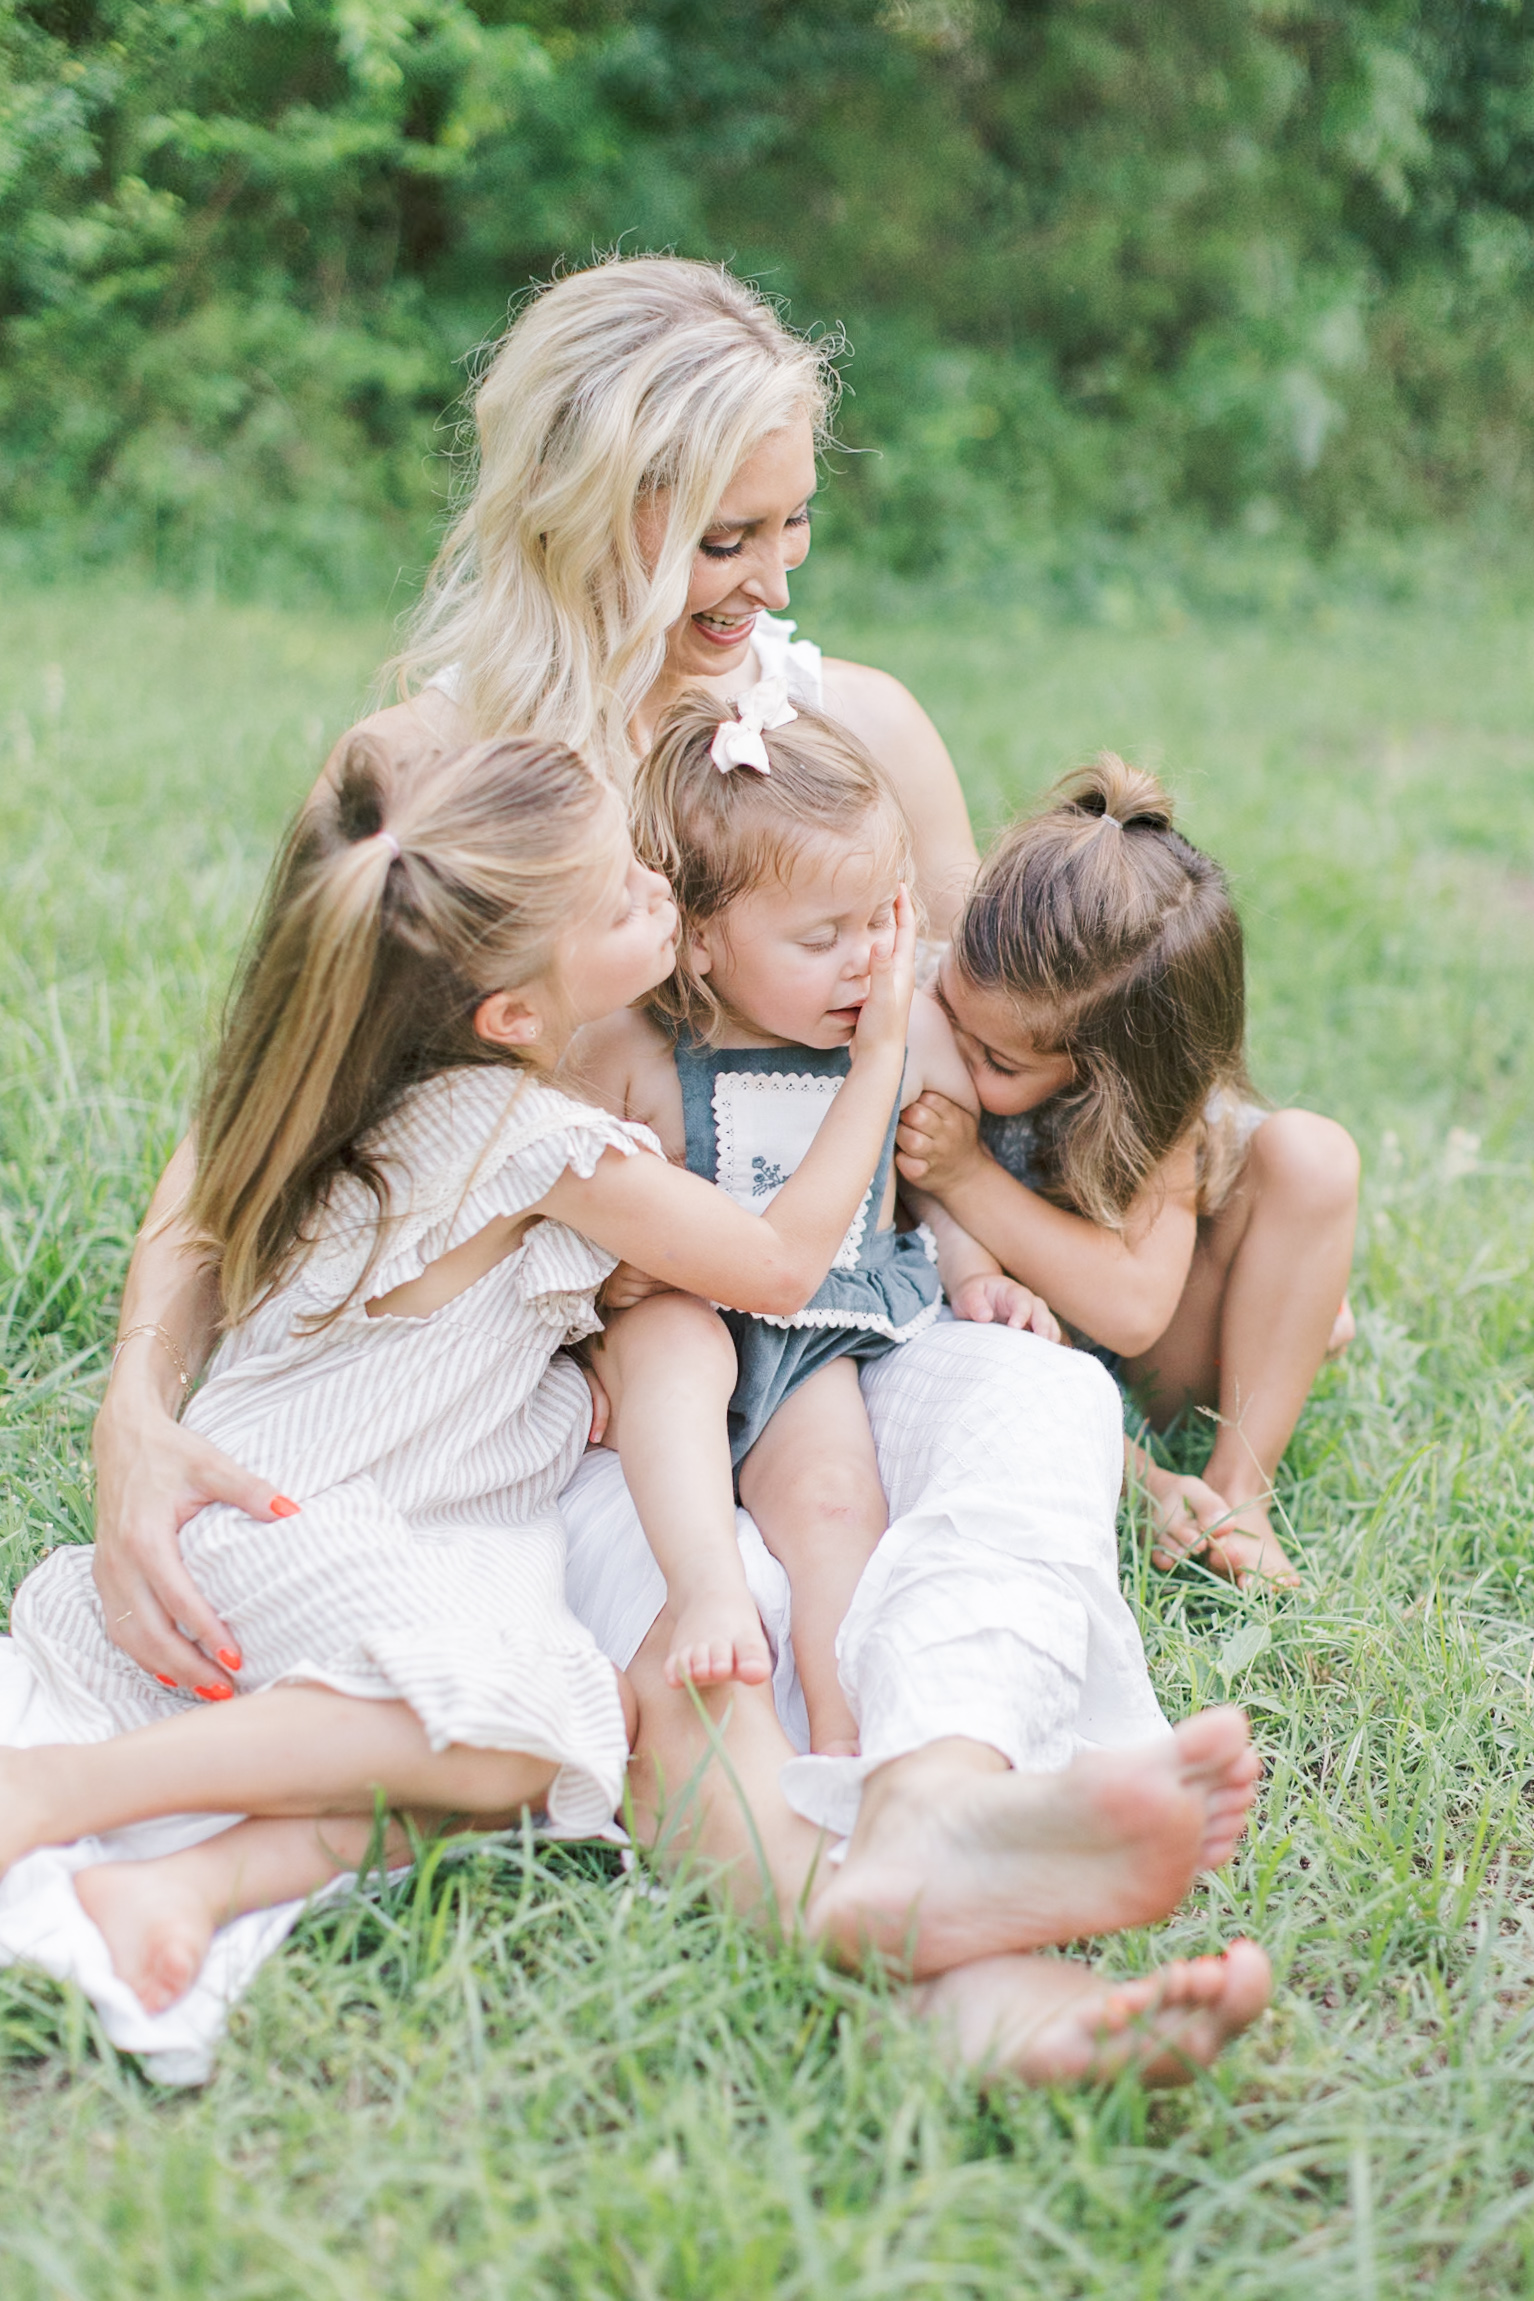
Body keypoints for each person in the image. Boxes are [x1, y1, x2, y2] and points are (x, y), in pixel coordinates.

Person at [79, 254, 1270, 2084]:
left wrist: (1075, 1266)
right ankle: (962, 1988)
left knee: (1022, 1427)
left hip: (845, 1304)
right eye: (725, 539)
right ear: (587, 512)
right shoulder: (430, 782)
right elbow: (241, 1139)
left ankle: (942, 1802)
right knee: (697, 1615)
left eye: (789, 528)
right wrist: (134, 1423)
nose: (773, 582)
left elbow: (985, 1047)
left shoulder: (845, 732)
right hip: (563, 1377)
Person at [2, 727, 929, 2013]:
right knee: (522, 1721)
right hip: (302, 1527)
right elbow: (772, 1268)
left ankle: (188, 1884)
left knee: (555, 1750)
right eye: (622, 895)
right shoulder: (529, 1133)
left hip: (308, 1521)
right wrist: (877, 1059)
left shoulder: (386, 1083)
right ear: (514, 1011)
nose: (658, 889)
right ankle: (62, 1794)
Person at [575, 684, 1057, 1755]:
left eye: (878, 920)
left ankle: (845, 1738)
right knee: (670, 1356)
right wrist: (592, 1317)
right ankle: (708, 1586)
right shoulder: (632, 1051)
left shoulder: (897, 1035)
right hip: (674, 1310)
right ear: (699, 941)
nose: (864, 964)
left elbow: (924, 1171)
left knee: (837, 1498)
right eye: (820, 936)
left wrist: (972, 1267)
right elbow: (560, 1193)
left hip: (812, 1333)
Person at [896, 754, 1361, 1589]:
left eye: (994, 1059)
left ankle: (1237, 1491)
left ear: (1107, 1076)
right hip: (998, 1357)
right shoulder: (927, 997)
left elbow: (1138, 1310)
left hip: (1141, 1349)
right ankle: (1150, 1486)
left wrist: (967, 1174)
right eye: (949, 1013)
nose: (958, 1062)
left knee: (1314, 1158)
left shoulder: (1151, 1106)